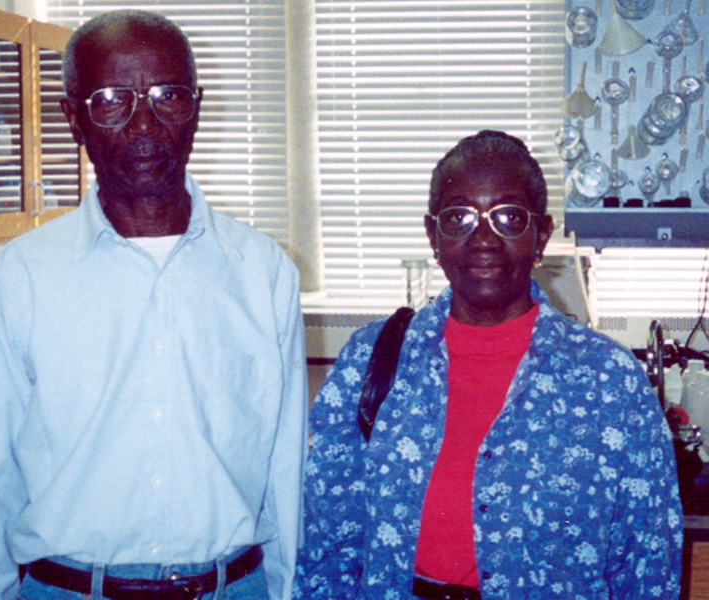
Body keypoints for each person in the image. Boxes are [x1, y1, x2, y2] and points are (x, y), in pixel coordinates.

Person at [0, 10, 307, 600]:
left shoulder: (262, 274)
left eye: (168, 96)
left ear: (197, 107)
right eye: (111, 99)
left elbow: (284, 473)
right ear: (73, 118)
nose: (144, 123)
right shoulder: (22, 277)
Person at [292, 130, 683, 600]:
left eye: (508, 217)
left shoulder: (610, 382)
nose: (483, 238)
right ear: (433, 236)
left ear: (541, 235)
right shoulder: (370, 361)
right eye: (459, 217)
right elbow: (327, 541)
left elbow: (647, 562)